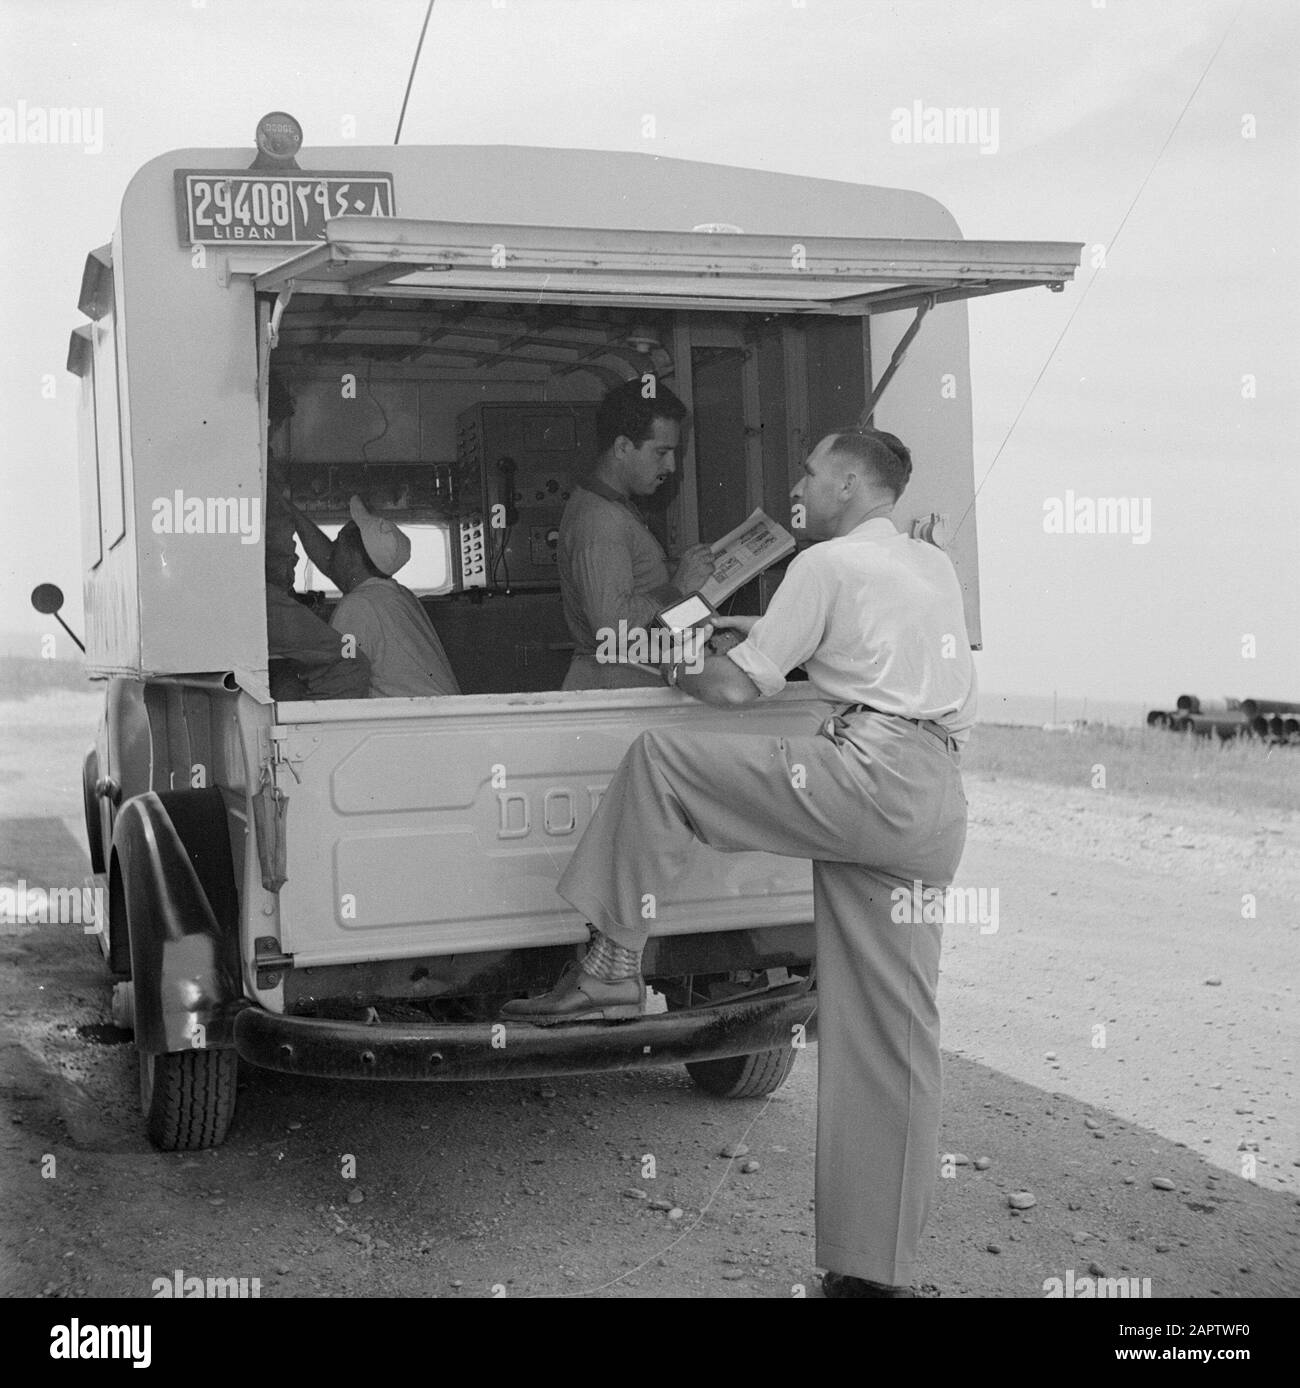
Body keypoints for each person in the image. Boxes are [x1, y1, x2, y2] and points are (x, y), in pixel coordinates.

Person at [503, 427, 977, 1298]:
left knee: (663, 760)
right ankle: (876, 1277)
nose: (800, 484)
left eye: (810, 471)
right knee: (894, 1037)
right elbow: (863, 634)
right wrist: (751, 627)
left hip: (863, 776)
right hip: (933, 797)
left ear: (846, 480)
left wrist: (678, 656)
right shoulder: (926, 564)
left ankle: (611, 967)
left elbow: (730, 688)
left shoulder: (825, 566)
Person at [558, 377, 715, 688]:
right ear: (622, 447)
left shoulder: (615, 507)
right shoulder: (601, 519)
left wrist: (676, 573)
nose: (671, 466)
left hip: (635, 673)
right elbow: (611, 630)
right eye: (661, 452)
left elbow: (636, 595)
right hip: (618, 681)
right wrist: (679, 585)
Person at [288, 494, 460, 698]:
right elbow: (331, 562)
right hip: (436, 717)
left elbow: (342, 682)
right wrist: (292, 514)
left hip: (414, 725)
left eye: (338, 542)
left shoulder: (358, 606)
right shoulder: (393, 594)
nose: (332, 549)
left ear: (351, 558)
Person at [263, 384, 370, 700]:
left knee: (284, 678)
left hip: (266, 594)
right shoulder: (255, 468)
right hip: (260, 596)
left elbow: (329, 561)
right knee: (349, 666)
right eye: (277, 426)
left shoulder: (256, 468)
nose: (276, 437)